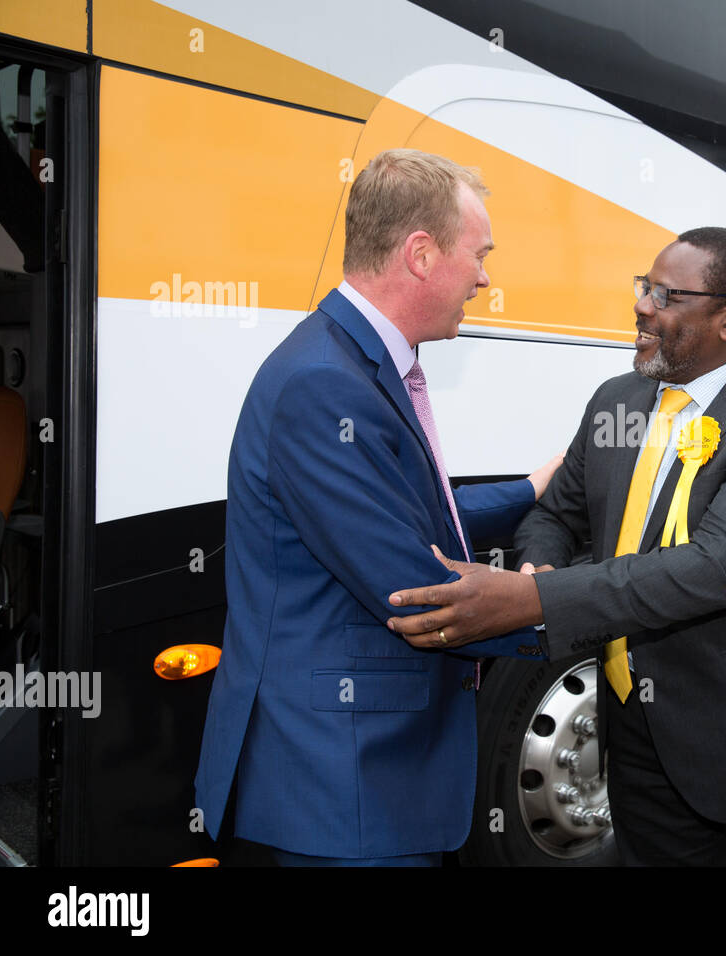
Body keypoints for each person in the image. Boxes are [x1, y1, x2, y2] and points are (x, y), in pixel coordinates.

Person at [387, 227, 726, 865]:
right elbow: (556, 512)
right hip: (637, 734)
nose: (642, 305)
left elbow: (713, 570)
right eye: (645, 287)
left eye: (667, 295)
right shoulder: (616, 401)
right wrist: (542, 564)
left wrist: (533, 598)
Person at [195, 149, 560, 866]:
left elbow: (403, 511)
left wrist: (530, 489)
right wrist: (562, 600)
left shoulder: (348, 361)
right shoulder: (325, 386)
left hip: (355, 778)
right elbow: (415, 592)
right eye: (479, 255)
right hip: (342, 790)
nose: (486, 278)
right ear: (421, 254)